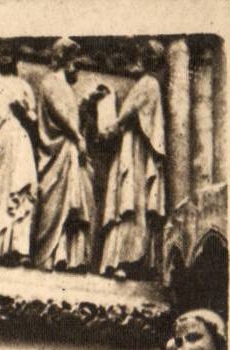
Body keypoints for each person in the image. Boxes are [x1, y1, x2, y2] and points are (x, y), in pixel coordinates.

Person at [92, 41, 166, 278]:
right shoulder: (147, 83)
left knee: (131, 201)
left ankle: (125, 260)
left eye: (146, 56)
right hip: (133, 147)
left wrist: (107, 119)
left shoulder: (148, 83)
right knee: (130, 202)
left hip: (136, 149)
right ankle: (124, 260)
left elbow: (126, 115)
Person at [34, 38, 95, 271]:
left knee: (74, 206)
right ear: (66, 62)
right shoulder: (51, 82)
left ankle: (70, 258)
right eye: (76, 64)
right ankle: (48, 256)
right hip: (57, 153)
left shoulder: (67, 89)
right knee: (55, 201)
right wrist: (77, 137)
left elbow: (72, 118)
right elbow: (59, 114)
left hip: (70, 153)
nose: (77, 70)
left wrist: (86, 105)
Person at [0, 41, 38, 265]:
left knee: (21, 189)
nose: (5, 56)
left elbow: (34, 121)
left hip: (18, 139)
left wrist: (24, 113)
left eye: (9, 52)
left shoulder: (23, 86)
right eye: (0, 52)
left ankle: (19, 247)